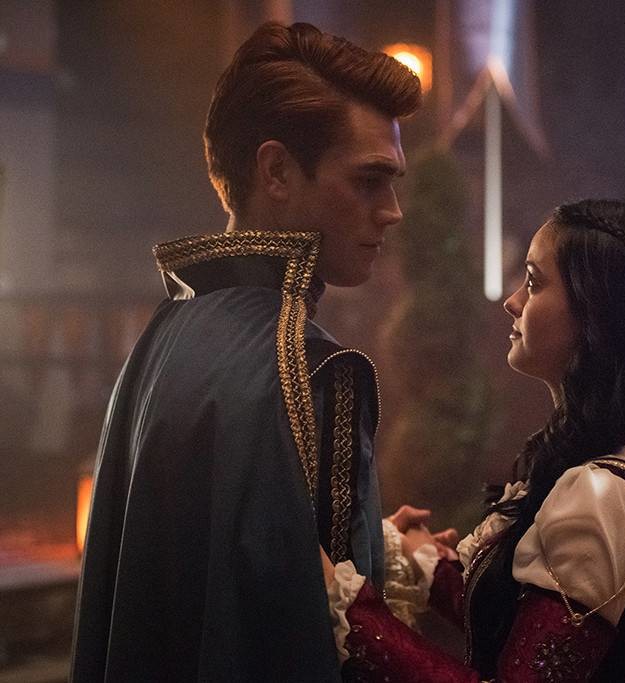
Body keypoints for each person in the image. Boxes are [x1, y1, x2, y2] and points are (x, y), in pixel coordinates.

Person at [71, 23, 422, 681]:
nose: (392, 210)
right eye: (370, 180)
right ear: (277, 171)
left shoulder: (166, 333)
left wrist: (385, 545)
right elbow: (324, 639)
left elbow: (204, 567)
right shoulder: (306, 365)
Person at [321, 199, 625, 682]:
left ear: (597, 313)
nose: (512, 301)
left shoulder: (600, 494)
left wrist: (346, 605)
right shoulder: (606, 466)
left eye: (533, 281)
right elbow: (521, 627)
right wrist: (421, 560)